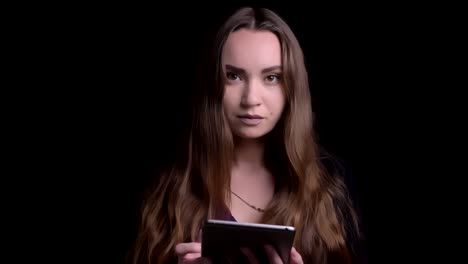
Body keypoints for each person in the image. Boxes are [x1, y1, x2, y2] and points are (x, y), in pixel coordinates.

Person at [129, 6, 365, 264]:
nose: (251, 99)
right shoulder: (167, 184)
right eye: (233, 76)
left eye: (272, 77)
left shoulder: (333, 184)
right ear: (213, 85)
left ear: (292, 89)